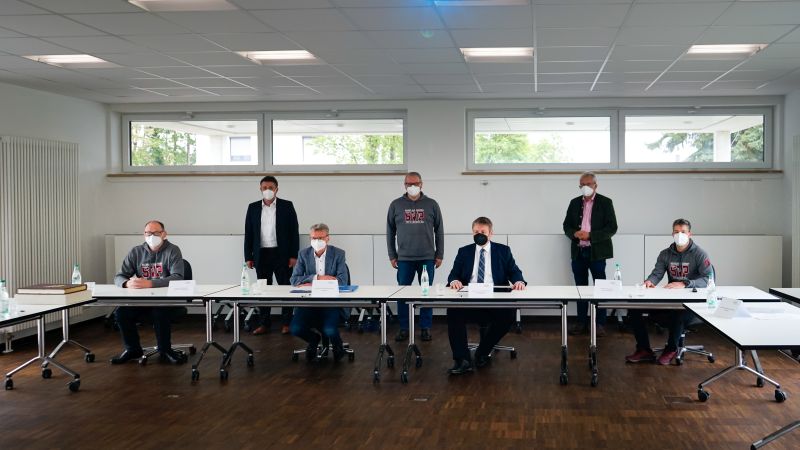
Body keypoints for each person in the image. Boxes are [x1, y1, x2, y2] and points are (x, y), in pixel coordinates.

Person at [625, 218, 713, 366]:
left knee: (679, 312)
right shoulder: (665, 254)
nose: (680, 235)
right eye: (676, 232)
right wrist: (649, 281)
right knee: (634, 307)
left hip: (692, 305)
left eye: (683, 232)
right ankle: (644, 349)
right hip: (670, 300)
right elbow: (657, 274)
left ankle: (671, 349)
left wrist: (685, 284)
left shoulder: (700, 254)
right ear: (672, 234)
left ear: (690, 234)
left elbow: (708, 279)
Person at [446, 217, 526, 375]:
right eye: (476, 231)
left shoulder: (503, 251)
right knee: (453, 311)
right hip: (470, 298)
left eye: (483, 231)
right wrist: (454, 280)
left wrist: (519, 281)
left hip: (495, 298)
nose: (479, 234)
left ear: (491, 233)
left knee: (508, 315)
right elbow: (454, 274)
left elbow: (514, 271)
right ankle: (462, 360)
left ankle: (482, 351)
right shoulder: (464, 251)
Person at [111, 220, 186, 365]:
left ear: (164, 234)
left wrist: (150, 283)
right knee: (121, 313)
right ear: (144, 234)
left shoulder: (173, 250)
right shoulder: (136, 252)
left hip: (166, 301)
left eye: (156, 233)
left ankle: (165, 350)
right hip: (142, 300)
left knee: (159, 312)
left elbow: (178, 277)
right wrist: (127, 283)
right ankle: (133, 350)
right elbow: (119, 276)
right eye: (148, 233)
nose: (151, 236)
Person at [387, 171, 444, 343]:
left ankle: (425, 327)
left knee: (426, 294)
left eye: (415, 183)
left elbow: (439, 231)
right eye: (408, 184)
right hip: (404, 258)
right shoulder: (396, 205)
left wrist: (439, 254)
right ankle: (404, 327)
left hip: (427, 257)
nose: (412, 186)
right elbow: (390, 232)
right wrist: (392, 255)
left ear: (421, 184)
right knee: (402, 294)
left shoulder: (432, 204)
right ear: (404, 185)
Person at [563, 171, 617, 337]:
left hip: (597, 253)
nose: (585, 187)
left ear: (595, 185)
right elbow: (566, 225)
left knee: (600, 288)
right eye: (582, 185)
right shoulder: (574, 203)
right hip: (578, 252)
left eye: (588, 184)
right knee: (580, 288)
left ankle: (599, 323)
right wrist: (574, 233)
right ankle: (581, 322)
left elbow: (612, 228)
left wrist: (590, 236)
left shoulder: (606, 202)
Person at [245, 175, 299, 335]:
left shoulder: (287, 206)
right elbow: (248, 233)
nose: (267, 190)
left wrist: (293, 255)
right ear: (260, 189)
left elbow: (294, 232)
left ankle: (287, 323)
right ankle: (264, 323)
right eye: (264, 188)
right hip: (261, 254)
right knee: (263, 291)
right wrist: (248, 256)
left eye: (270, 187)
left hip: (282, 254)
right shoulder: (253, 207)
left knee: (286, 288)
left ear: (276, 189)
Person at [289, 223, 349, 362]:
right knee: (295, 328)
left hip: (331, 303)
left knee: (329, 330)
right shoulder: (303, 254)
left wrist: (310, 282)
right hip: (309, 302)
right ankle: (314, 339)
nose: (316, 241)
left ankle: (338, 345)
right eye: (313, 238)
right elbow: (294, 279)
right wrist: (318, 278)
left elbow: (342, 281)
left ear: (327, 238)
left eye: (320, 238)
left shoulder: (338, 254)